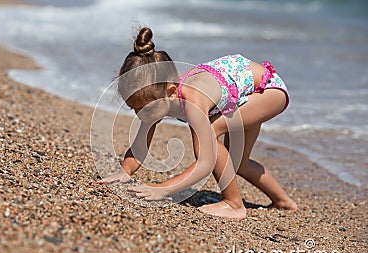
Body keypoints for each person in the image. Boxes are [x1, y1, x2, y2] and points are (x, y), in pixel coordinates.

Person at [97, 27, 297, 219]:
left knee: (210, 132)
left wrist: (163, 188)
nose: (141, 115)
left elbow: (205, 162)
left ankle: (234, 204)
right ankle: (284, 202)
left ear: (171, 92)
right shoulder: (156, 98)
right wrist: (125, 171)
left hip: (267, 90)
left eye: (145, 109)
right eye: (134, 108)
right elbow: (141, 142)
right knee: (237, 162)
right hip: (245, 91)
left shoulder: (193, 100)